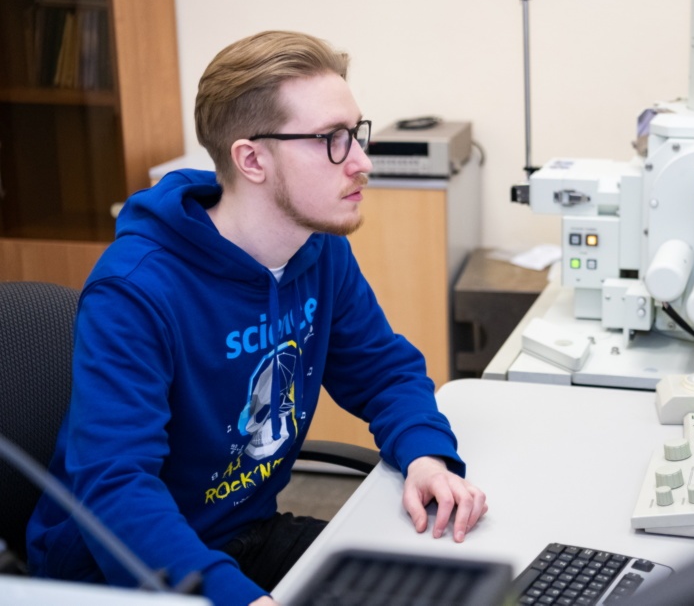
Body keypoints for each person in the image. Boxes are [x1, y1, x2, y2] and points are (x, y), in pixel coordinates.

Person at [26, 30, 487, 606]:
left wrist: (425, 457)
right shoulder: (135, 290)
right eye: (331, 140)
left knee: (450, 584)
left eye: (356, 134)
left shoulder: (319, 250)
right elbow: (116, 489)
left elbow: (383, 373)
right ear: (251, 159)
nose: (362, 162)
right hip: (122, 573)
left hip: (244, 535)